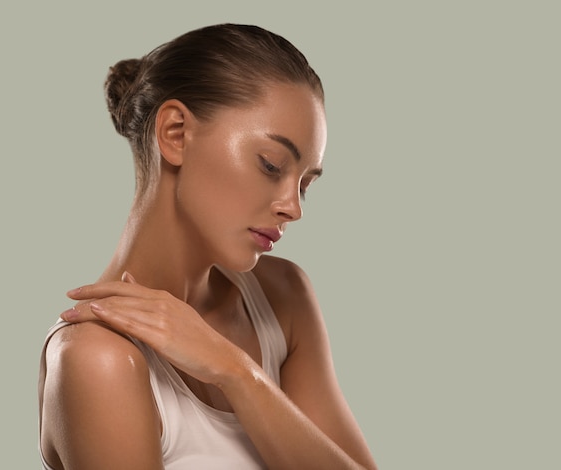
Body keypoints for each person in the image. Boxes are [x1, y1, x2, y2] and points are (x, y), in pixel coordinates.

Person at [38, 23, 377, 470]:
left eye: (305, 184)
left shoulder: (285, 299)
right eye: (271, 165)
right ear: (175, 133)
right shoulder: (98, 359)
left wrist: (236, 372)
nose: (293, 207)